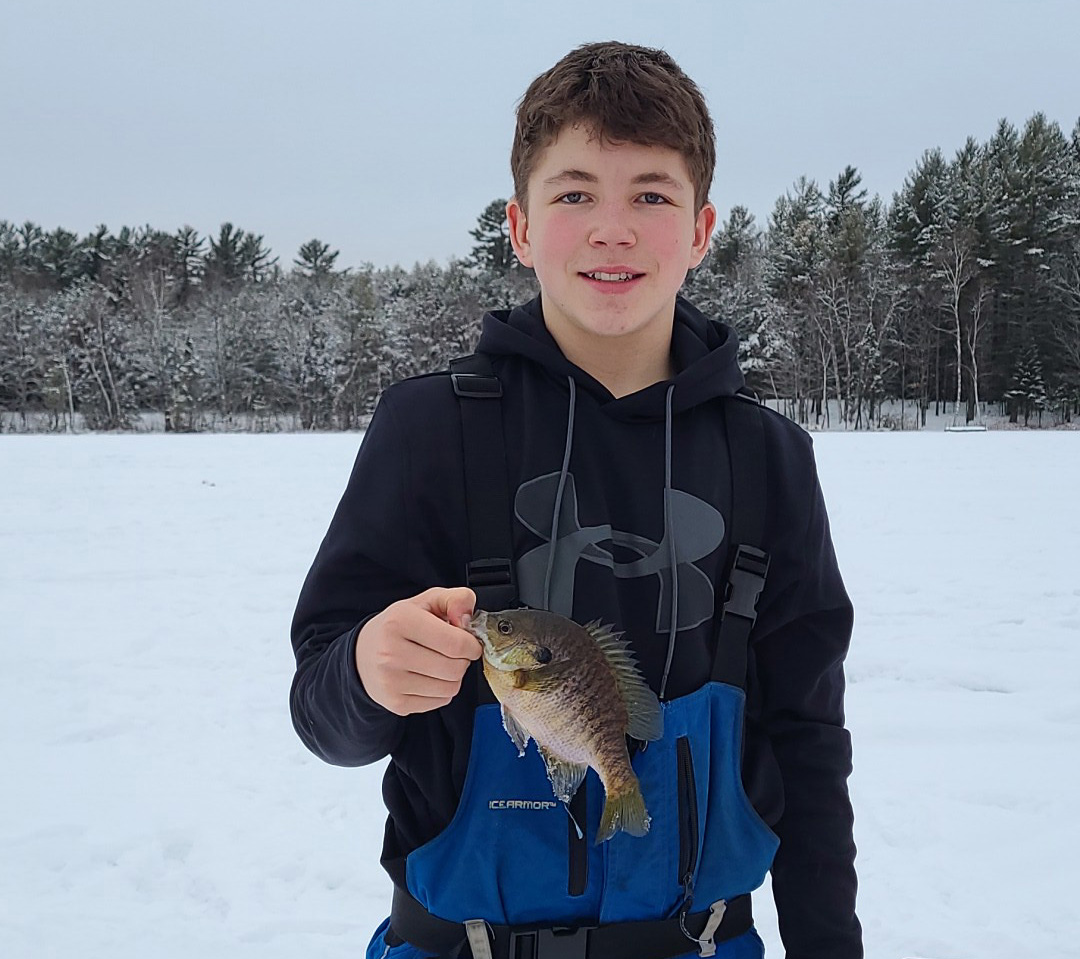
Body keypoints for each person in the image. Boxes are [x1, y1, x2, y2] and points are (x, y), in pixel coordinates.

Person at [290, 41, 862, 959]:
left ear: (702, 229)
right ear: (518, 227)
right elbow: (321, 708)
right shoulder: (426, 429)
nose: (612, 227)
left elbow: (807, 736)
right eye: (573, 193)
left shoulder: (771, 457)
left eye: (650, 194)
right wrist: (366, 670)